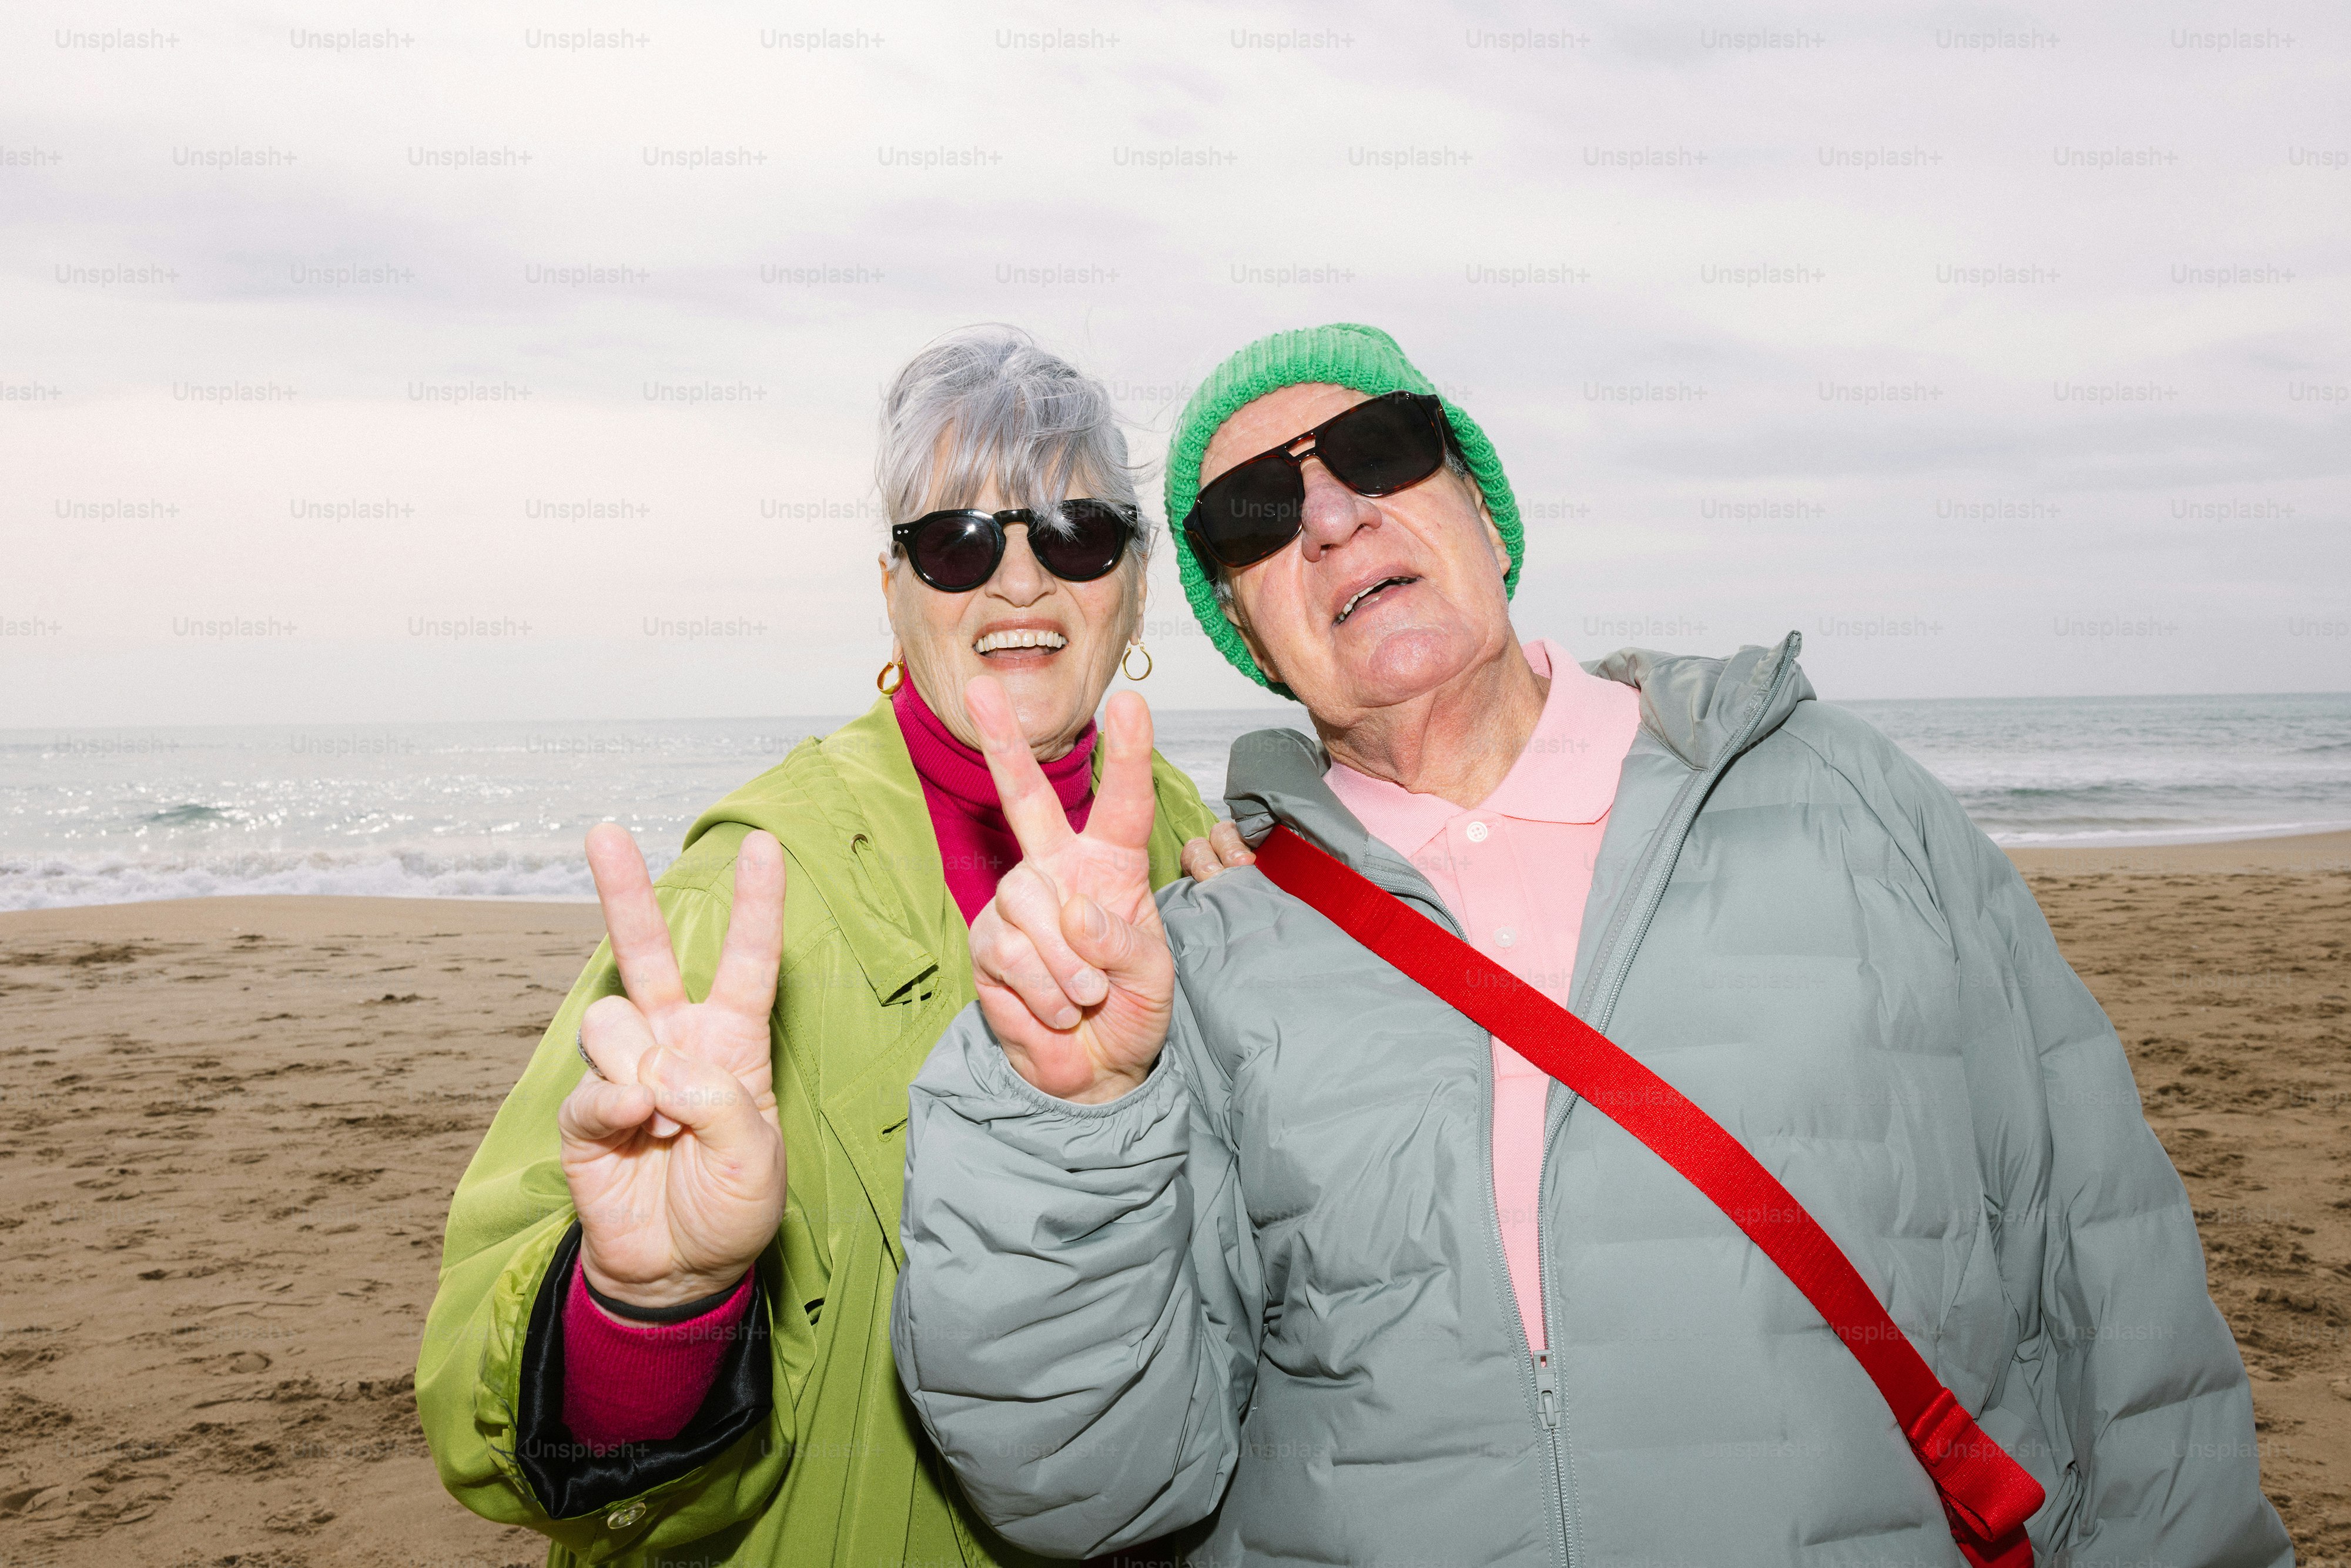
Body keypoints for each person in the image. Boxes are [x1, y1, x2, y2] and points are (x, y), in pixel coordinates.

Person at [889, 324, 2292, 1565]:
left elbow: (2110, 1278)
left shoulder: (1842, 799)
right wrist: (1070, 1119)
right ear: (1248, 631)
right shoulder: (1205, 954)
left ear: (1488, 517)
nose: (1326, 513)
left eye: (1381, 450)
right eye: (1252, 513)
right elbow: (1087, 1485)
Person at [416, 326, 1223, 1566]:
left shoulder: (1204, 863)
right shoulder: (744, 901)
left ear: (1136, 583)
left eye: (1076, 531)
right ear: (892, 591)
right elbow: (493, 1418)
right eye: (956, 541)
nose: (1019, 582)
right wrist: (652, 1307)